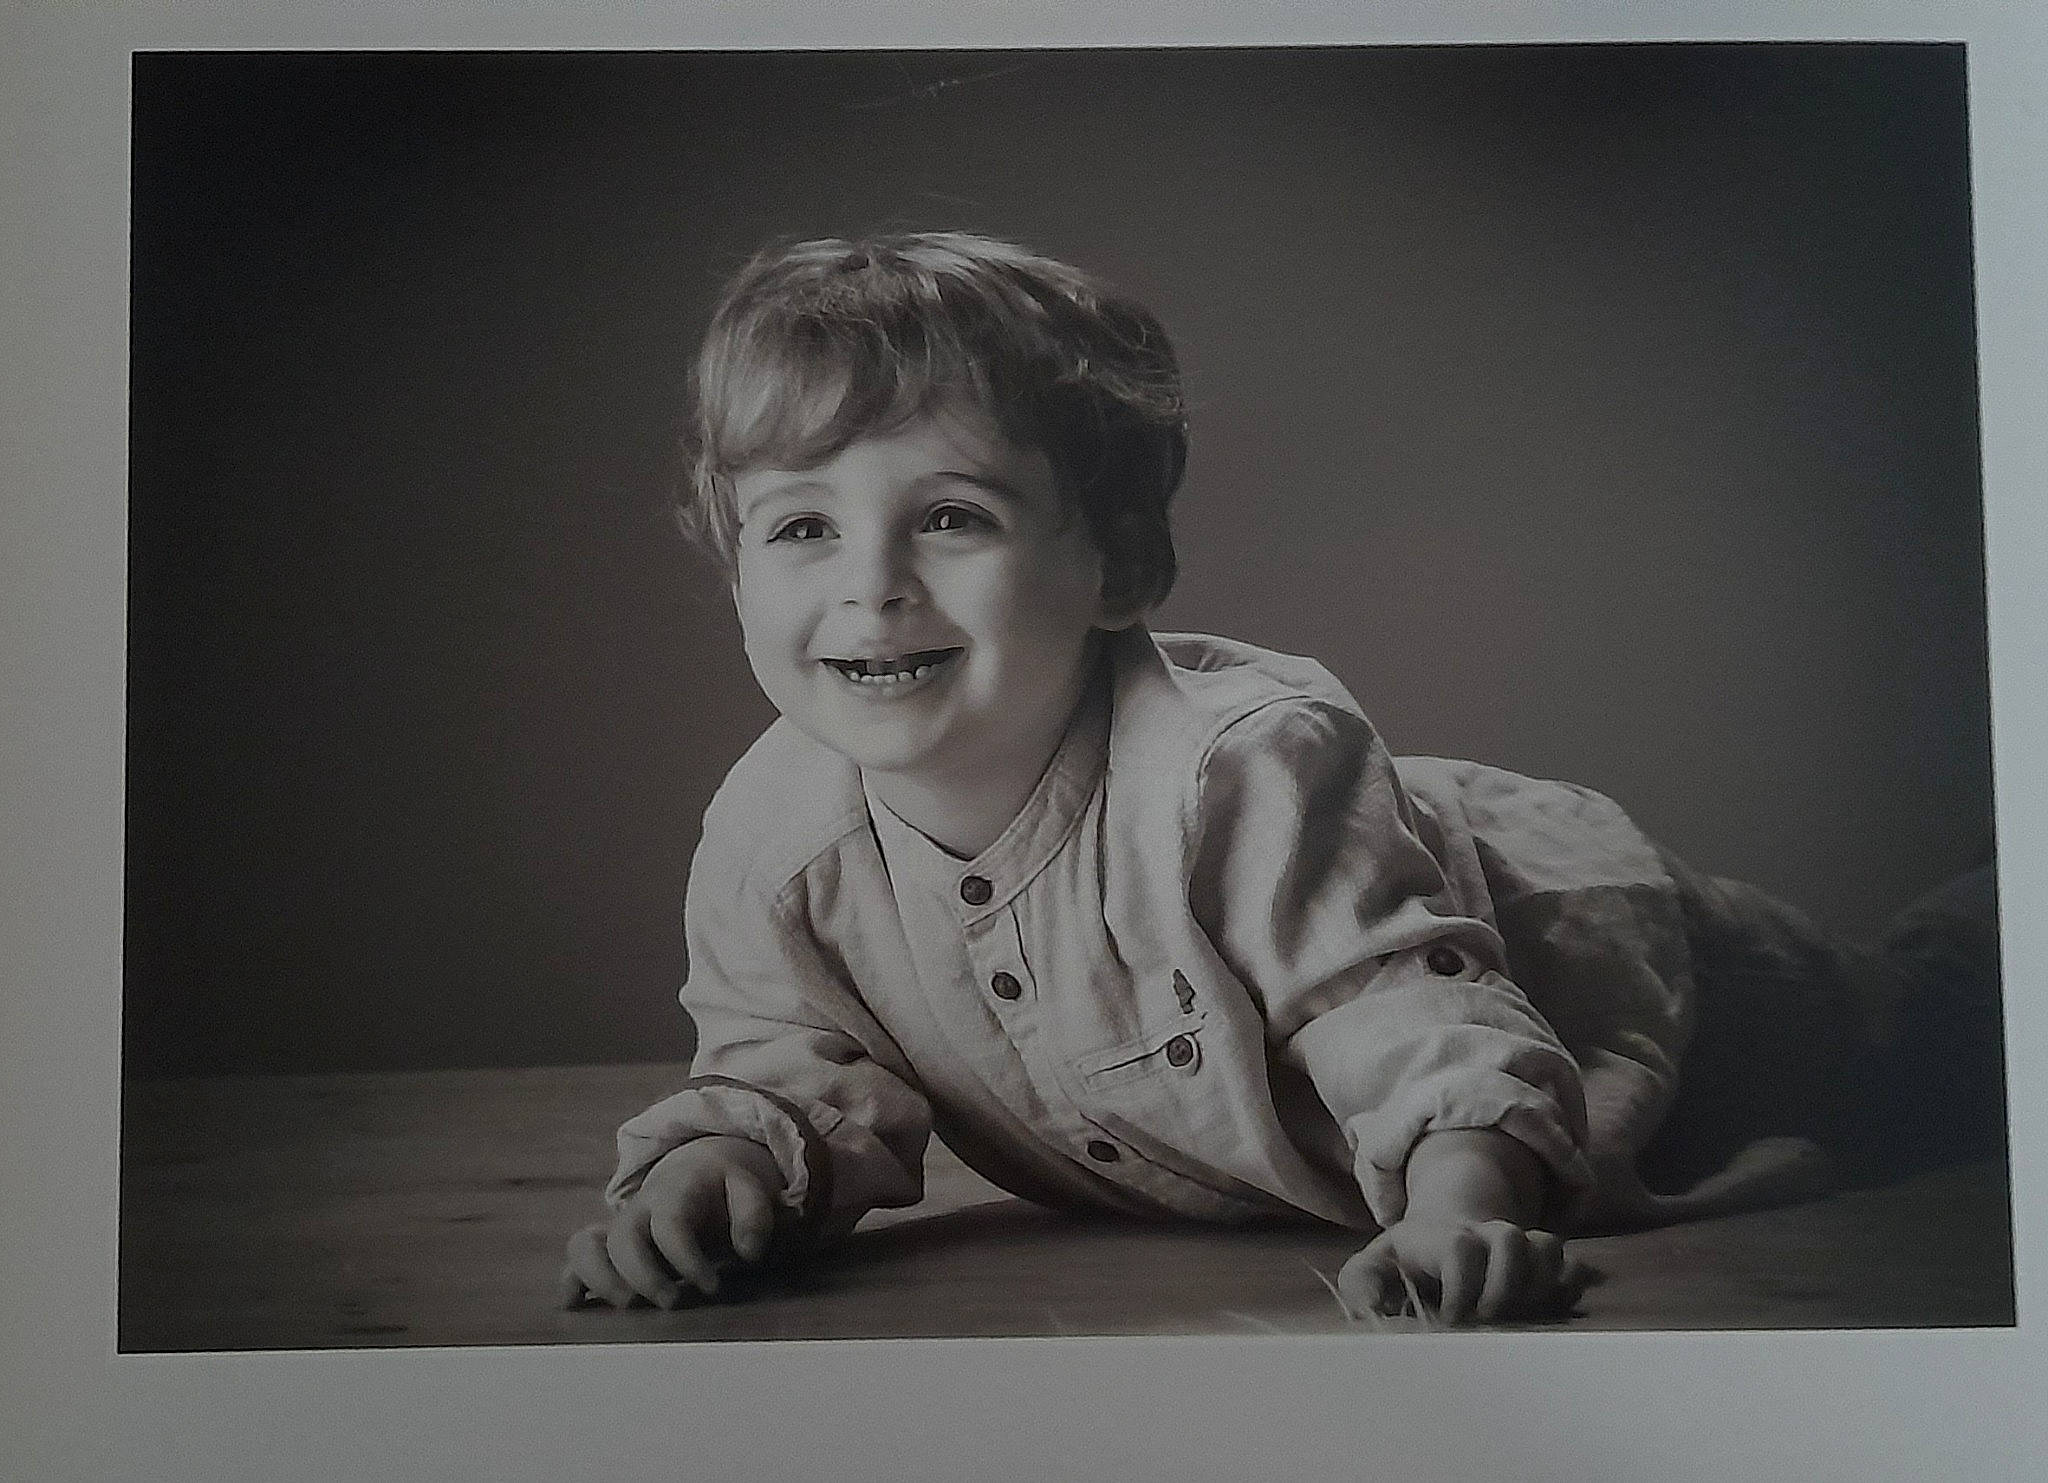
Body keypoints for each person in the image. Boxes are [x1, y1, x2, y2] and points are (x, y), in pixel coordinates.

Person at [560, 231, 2002, 1324]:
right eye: (801, 528)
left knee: (1926, 1033)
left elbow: (1400, 1010)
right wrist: (719, 1175)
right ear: (733, 566)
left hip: (1616, 979)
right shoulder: (775, 837)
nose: (870, 587)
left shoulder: (1236, 768)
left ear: (1117, 562)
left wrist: (1458, 1207)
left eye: (950, 516)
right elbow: (791, 1067)